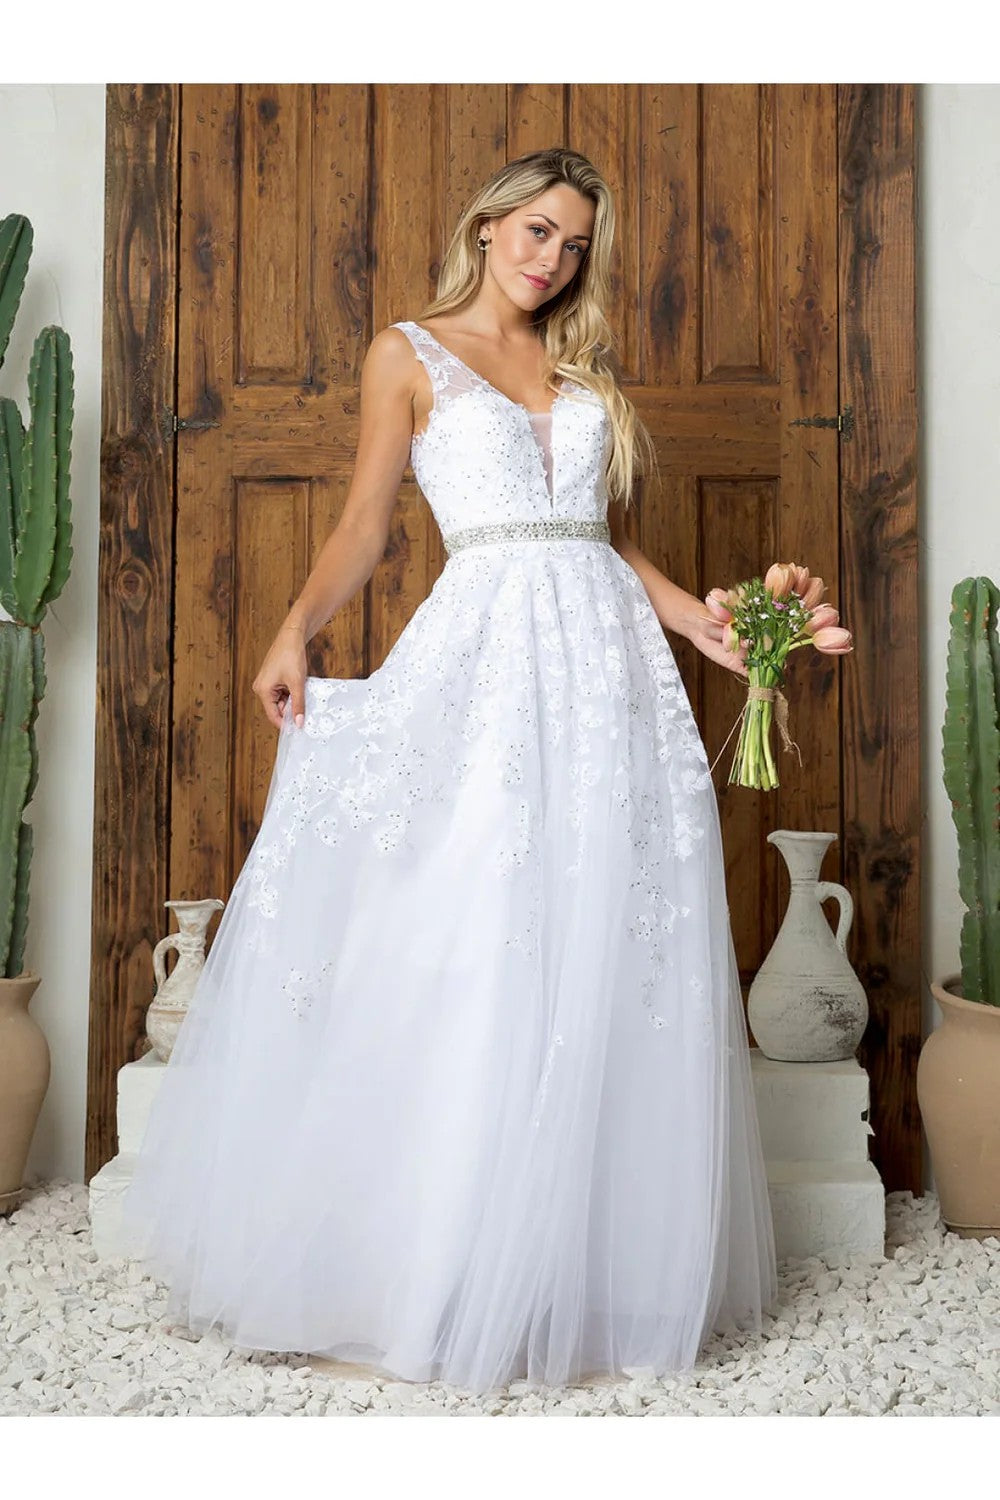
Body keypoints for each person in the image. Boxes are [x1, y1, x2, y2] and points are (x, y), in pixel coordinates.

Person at [119, 146, 778, 1396]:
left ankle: (575, 1273)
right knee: (474, 926)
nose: (553, 259)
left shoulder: (579, 369)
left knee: (604, 933)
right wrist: (291, 630)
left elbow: (601, 536)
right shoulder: (406, 353)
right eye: (537, 231)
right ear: (485, 226)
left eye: (575, 244)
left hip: (605, 667)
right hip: (485, 654)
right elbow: (368, 523)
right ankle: (432, 1265)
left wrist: (706, 624)